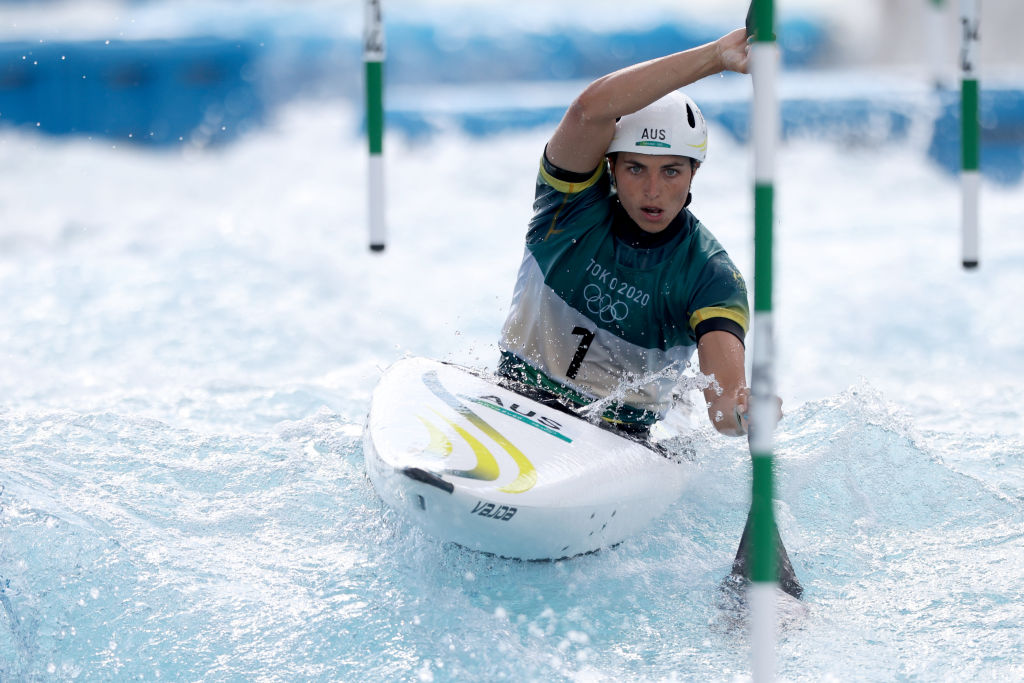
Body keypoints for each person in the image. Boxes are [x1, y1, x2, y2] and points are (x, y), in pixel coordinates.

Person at [497, 27, 757, 439]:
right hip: (511, 397)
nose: (652, 191)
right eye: (635, 168)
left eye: (671, 171)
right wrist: (717, 56)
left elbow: (724, 412)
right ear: (611, 167)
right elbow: (588, 110)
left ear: (695, 173)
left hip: (620, 442)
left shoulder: (710, 276)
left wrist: (744, 414)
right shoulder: (567, 207)